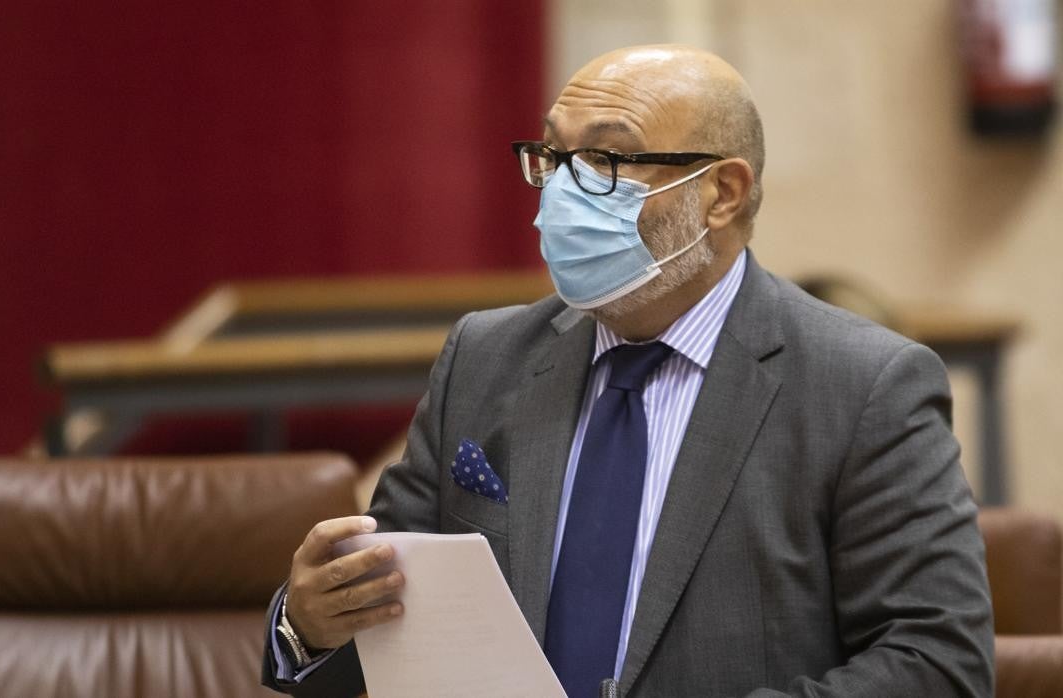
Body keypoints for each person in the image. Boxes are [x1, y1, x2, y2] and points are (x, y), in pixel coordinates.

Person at [261, 45, 994, 697]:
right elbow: (389, 629)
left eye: (607, 161)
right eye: (553, 158)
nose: (562, 193)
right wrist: (308, 628)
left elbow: (938, 662)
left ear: (722, 193)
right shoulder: (484, 358)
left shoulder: (864, 386)